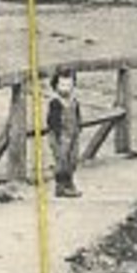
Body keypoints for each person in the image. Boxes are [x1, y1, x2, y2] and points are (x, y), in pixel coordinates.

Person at [46, 69, 83, 197]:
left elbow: (78, 116)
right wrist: (57, 136)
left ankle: (70, 183)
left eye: (69, 85)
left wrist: (79, 128)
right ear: (55, 86)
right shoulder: (55, 102)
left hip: (73, 134)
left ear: (73, 85)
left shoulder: (74, 101)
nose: (65, 89)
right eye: (62, 85)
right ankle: (61, 186)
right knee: (62, 161)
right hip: (60, 136)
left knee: (73, 159)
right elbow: (51, 121)